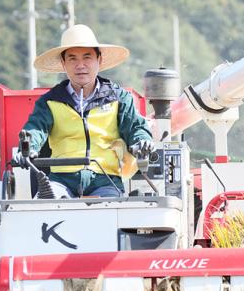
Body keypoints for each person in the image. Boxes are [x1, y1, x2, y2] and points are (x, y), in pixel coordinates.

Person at [16, 24, 154, 198]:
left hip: (106, 180)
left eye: (87, 57)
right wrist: (28, 147)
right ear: (63, 63)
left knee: (114, 212)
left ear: (99, 60)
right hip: (61, 180)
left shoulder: (119, 98)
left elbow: (136, 127)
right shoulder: (49, 102)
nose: (80, 65)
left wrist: (142, 140)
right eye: (72, 58)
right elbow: (34, 129)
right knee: (43, 206)